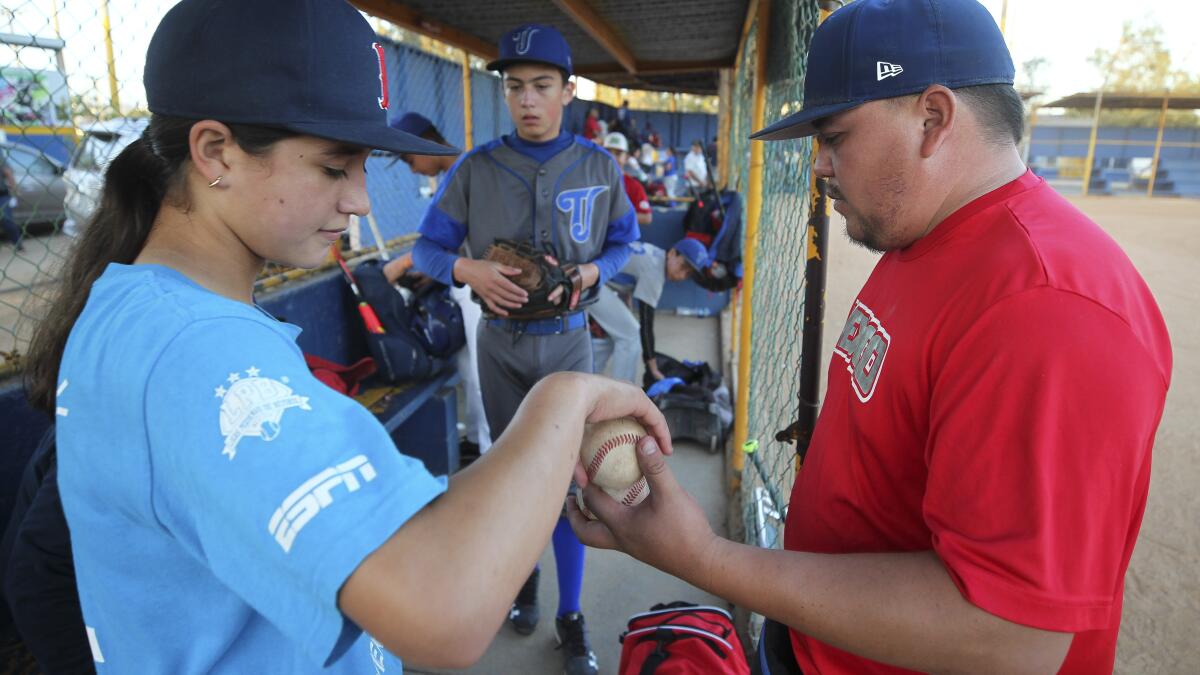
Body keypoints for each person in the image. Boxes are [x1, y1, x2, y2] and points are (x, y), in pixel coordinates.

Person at [21, 2, 669, 672]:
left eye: (364, 166)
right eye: (334, 166)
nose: (360, 199)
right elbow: (442, 607)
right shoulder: (191, 347)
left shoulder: (151, 304)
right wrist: (561, 402)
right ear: (215, 151)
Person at [566, 1, 1171, 674]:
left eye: (835, 136)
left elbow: (1012, 637)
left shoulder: (1049, 305)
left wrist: (703, 556)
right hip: (819, 640)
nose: (819, 164)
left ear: (933, 119)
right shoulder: (928, 233)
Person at [410, 23, 639, 675]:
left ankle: (571, 614)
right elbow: (427, 248)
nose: (528, 100)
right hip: (500, 347)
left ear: (569, 91)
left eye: (542, 86)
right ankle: (522, 583)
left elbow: (624, 243)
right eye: (515, 87)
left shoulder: (598, 166)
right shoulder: (476, 167)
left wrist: (593, 273)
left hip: (567, 346)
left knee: (570, 480)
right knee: (513, 477)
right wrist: (469, 271)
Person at [385, 112, 492, 458]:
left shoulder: (465, 170)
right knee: (469, 371)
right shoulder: (459, 170)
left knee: (483, 375)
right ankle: (477, 442)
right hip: (463, 286)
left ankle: (491, 457)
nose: (412, 169)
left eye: (410, 159)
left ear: (426, 144)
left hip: (479, 289)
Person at [590, 239, 708, 383]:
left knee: (614, 334)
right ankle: (622, 393)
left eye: (688, 273)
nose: (682, 275)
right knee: (631, 335)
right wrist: (652, 367)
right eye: (683, 266)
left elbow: (625, 274)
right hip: (591, 281)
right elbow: (646, 323)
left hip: (594, 277)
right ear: (672, 253)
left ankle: (585, 374)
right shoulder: (656, 271)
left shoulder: (655, 254)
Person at [601, 132, 652, 226]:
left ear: (626, 157)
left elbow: (646, 217)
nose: (612, 157)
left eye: (618, 153)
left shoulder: (633, 185)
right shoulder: (592, 181)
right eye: (607, 153)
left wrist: (617, 217)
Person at [0, 151, 22, 251]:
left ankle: (17, 243)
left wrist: (15, 192)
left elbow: (8, 172)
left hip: (2, 194)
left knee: (6, 219)